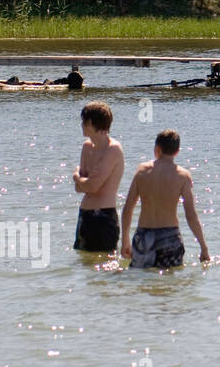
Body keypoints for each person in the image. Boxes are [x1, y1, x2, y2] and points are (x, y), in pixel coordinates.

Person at [120, 130, 210, 269]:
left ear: (157, 148)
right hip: (170, 237)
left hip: (144, 236)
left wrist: (125, 240)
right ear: (177, 151)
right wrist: (203, 247)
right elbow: (191, 216)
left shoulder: (142, 171)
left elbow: (128, 208)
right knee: (169, 284)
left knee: (141, 282)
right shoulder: (182, 176)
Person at [72, 102, 124, 253]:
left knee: (104, 268)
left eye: (84, 121)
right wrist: (82, 182)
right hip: (85, 215)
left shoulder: (113, 149)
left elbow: (93, 186)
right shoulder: (87, 147)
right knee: (85, 266)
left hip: (104, 216)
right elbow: (79, 188)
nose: (81, 125)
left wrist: (76, 177)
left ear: (91, 123)